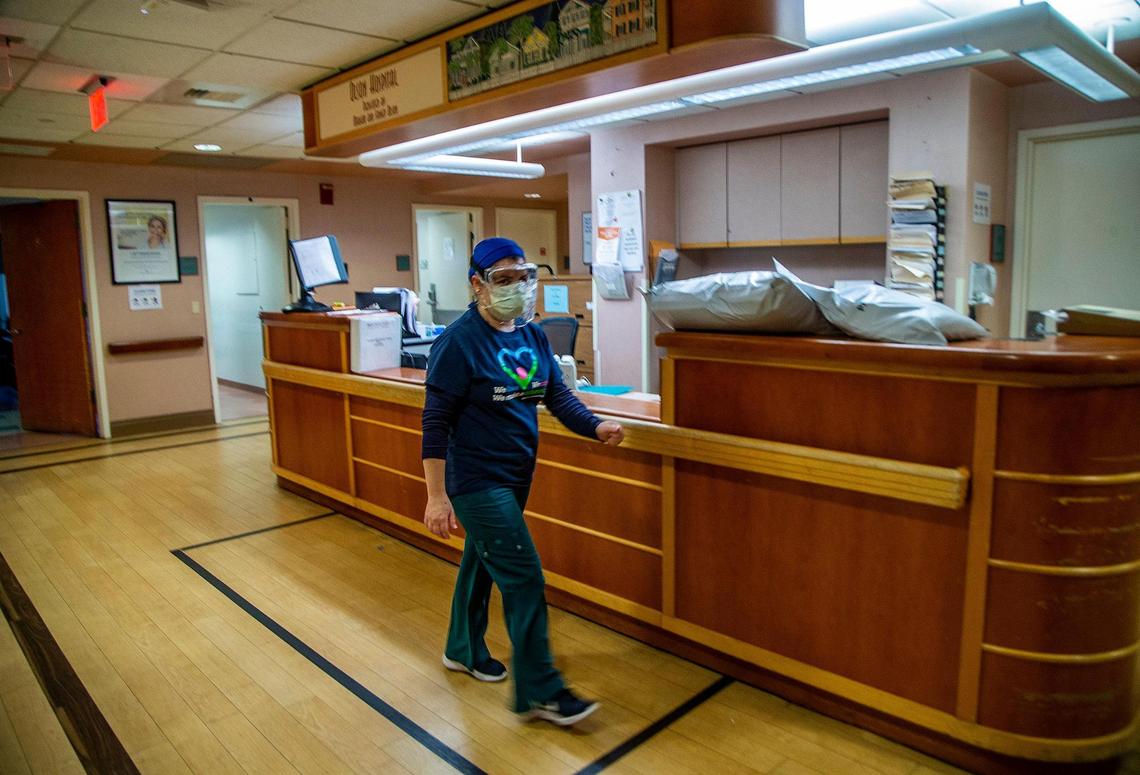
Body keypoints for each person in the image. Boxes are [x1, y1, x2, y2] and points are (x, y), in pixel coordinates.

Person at [421, 237, 624, 727]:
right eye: (503, 280)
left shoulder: (531, 337)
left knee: (483, 562)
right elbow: (435, 423)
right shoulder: (458, 342)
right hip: (475, 480)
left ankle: (462, 650)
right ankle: (542, 691)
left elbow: (557, 396)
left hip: (516, 474)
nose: (516, 288)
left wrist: (594, 426)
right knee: (525, 578)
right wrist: (435, 496)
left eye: (522, 277)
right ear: (478, 284)